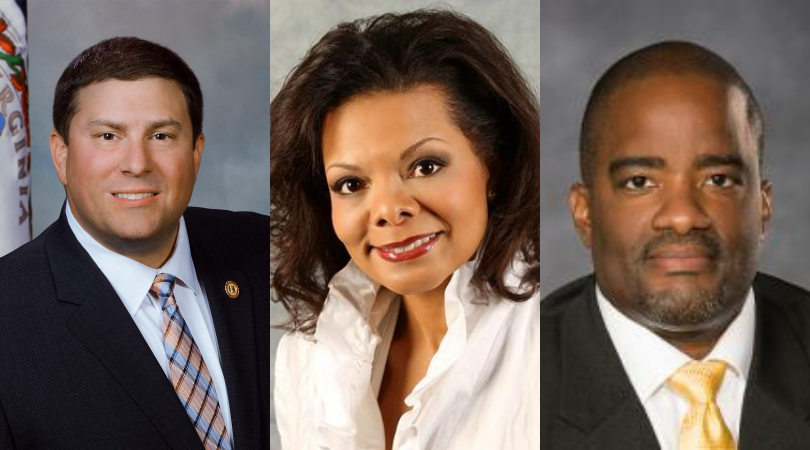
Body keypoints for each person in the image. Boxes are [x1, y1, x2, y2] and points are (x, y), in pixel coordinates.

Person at [271, 10, 540, 450]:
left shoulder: (551, 344)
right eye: (351, 184)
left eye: (425, 166)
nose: (389, 211)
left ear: (494, 165)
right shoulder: (306, 359)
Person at [0, 37, 269, 449]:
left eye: (161, 136)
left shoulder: (263, 247)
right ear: (60, 155)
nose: (137, 164)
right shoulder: (9, 316)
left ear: (196, 153)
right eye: (108, 136)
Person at [541, 40, 810, 449]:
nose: (683, 216)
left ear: (764, 206)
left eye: (718, 180)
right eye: (640, 182)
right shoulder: (514, 383)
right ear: (585, 213)